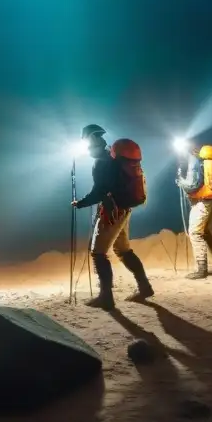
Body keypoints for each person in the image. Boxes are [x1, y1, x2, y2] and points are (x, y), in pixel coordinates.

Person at [72, 123, 154, 309]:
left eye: (86, 141)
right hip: (123, 210)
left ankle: (106, 297)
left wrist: (80, 203)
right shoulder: (112, 156)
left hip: (113, 212)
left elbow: (98, 192)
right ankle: (145, 287)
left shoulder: (102, 162)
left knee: (98, 253)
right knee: (123, 250)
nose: (86, 146)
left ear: (92, 140)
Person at [176, 140, 212, 279]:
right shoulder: (202, 159)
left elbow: (193, 184)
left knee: (195, 232)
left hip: (202, 202)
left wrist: (181, 182)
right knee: (204, 232)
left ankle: (201, 269)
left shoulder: (193, 161)